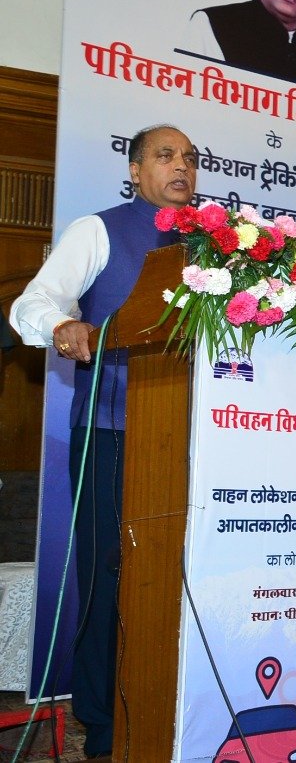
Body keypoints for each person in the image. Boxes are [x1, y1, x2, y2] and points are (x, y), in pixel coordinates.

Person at [9, 124, 197, 759]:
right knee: (111, 576)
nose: (181, 166)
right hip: (113, 432)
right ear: (136, 171)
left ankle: (177, 707)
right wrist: (64, 326)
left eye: (189, 158)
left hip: (195, 441)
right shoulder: (100, 230)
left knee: (180, 577)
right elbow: (33, 302)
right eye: (165, 156)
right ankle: (104, 721)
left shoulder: (213, 246)